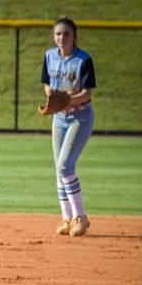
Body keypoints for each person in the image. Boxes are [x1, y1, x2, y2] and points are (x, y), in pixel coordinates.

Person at [41, 16, 97, 237]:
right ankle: (66, 218)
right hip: (59, 118)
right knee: (59, 167)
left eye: (66, 34)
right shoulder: (49, 56)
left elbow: (87, 94)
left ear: (74, 37)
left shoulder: (83, 60)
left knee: (65, 165)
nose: (61, 38)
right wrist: (52, 97)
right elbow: (47, 84)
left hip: (80, 118)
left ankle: (80, 217)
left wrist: (67, 101)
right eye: (58, 34)